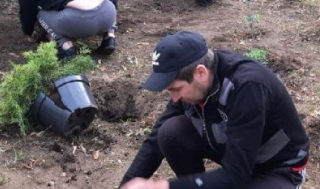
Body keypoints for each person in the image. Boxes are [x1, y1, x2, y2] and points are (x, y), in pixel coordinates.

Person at [120, 31, 309, 189]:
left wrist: (166, 186)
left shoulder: (247, 87)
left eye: (176, 89)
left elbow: (236, 175)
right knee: (170, 132)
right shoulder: (194, 79)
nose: (174, 98)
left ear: (201, 73)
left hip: (278, 168)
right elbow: (154, 142)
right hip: (237, 153)